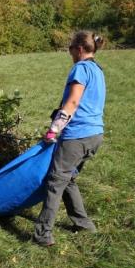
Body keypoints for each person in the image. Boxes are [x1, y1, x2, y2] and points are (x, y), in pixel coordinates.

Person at [33, 31, 106, 247]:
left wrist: (54, 129)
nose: (70, 52)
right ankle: (83, 224)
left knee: (55, 182)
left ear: (80, 49)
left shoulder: (81, 69)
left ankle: (42, 234)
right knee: (68, 179)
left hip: (77, 136)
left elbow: (73, 103)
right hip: (95, 135)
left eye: (71, 48)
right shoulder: (98, 71)